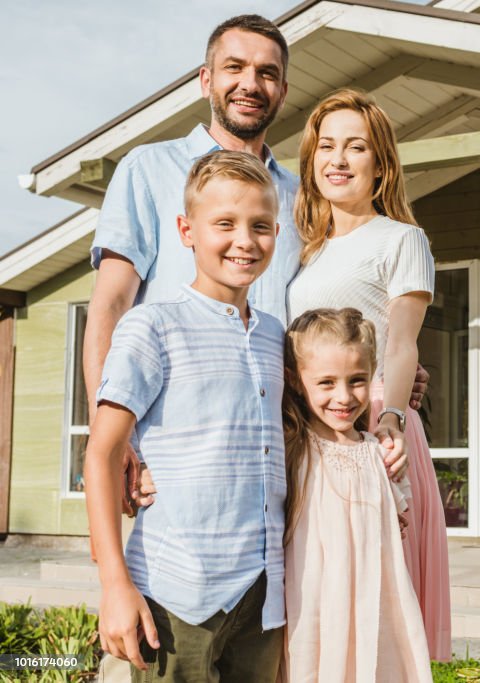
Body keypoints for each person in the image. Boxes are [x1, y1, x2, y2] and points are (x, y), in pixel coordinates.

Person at [84, 14, 422, 517]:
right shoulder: (147, 170)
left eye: (266, 73)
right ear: (206, 79)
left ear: (283, 91)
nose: (249, 84)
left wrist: (389, 371)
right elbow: (109, 307)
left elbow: (344, 291)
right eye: (234, 67)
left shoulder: (301, 198)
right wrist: (109, 439)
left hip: (282, 446)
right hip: (175, 451)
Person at [85, 151, 287, 681]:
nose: (244, 240)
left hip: (262, 596)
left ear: (277, 232)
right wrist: (114, 584)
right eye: (224, 223)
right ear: (186, 230)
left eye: (260, 226)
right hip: (179, 597)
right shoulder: (152, 327)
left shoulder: (274, 337)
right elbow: (102, 455)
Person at [286, 88, 452, 660]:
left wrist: (391, 422)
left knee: (376, 592)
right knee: (321, 590)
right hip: (312, 432)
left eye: (355, 147)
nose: (337, 159)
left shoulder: (402, 239)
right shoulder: (305, 250)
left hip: (372, 431)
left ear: (379, 165)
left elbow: (403, 345)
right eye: (325, 146)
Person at [281, 307, 431, 682]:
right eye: (327, 382)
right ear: (298, 382)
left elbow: (396, 528)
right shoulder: (292, 449)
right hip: (312, 604)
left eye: (357, 380)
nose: (344, 396)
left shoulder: (381, 453)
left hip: (373, 602)